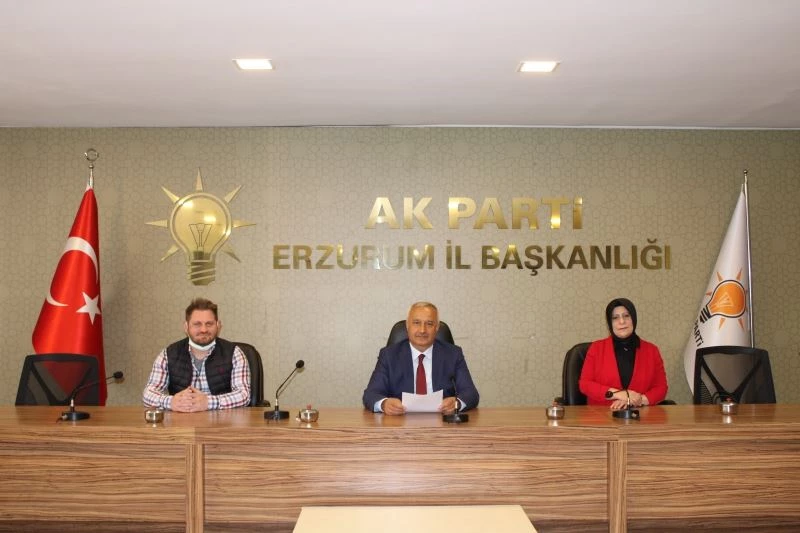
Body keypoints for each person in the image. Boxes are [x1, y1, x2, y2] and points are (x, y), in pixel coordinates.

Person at [362, 301, 479, 415]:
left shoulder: (453, 354)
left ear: (437, 327)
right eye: (416, 323)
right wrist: (384, 404)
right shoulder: (388, 355)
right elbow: (371, 394)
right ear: (407, 326)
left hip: (442, 421)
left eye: (429, 324)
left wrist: (457, 403)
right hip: (399, 421)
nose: (422, 330)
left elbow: (471, 393)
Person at [143, 298, 251, 412]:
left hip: (222, 420)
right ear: (186, 327)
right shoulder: (168, 354)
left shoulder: (234, 353)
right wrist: (171, 402)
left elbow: (244, 395)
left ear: (218, 325)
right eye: (197, 324)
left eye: (209, 324)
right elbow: (148, 394)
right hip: (181, 420)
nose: (203, 329)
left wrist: (208, 402)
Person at [579, 297, 668, 409]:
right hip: (601, 414)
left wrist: (638, 400)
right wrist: (619, 394)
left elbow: (661, 388)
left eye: (626, 316)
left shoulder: (652, 350)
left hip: (640, 415)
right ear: (610, 323)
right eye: (615, 318)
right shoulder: (596, 348)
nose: (622, 321)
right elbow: (585, 384)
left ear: (633, 318)